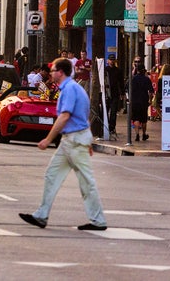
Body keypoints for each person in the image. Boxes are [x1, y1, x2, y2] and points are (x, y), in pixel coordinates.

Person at [19, 57, 107, 231]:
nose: (51, 73)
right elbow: (84, 116)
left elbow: (64, 116)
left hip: (74, 141)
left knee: (86, 181)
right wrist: (87, 141)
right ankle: (41, 215)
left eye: (53, 71)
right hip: (72, 141)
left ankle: (98, 221)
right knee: (52, 175)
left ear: (60, 72)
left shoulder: (69, 89)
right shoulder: (75, 88)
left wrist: (48, 139)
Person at [129, 61, 153, 143]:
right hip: (144, 101)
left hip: (135, 101)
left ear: (137, 70)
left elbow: (130, 90)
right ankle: (144, 134)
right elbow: (151, 91)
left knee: (136, 118)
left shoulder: (134, 79)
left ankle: (137, 135)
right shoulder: (147, 79)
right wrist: (150, 99)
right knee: (143, 119)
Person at [104, 54, 124, 137]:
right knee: (105, 111)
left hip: (115, 93)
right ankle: (106, 126)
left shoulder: (118, 70)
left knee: (113, 112)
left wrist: (122, 93)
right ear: (107, 61)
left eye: (113, 60)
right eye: (110, 60)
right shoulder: (105, 70)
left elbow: (121, 82)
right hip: (106, 93)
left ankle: (112, 128)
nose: (112, 61)